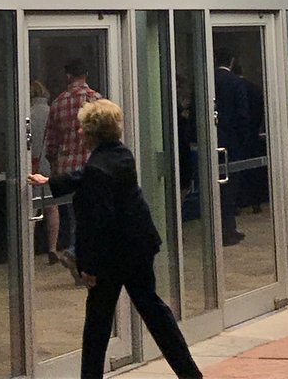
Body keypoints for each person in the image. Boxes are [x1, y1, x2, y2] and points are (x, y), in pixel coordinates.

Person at [28, 99, 202, 379]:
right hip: (139, 248)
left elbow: (97, 224)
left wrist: (89, 268)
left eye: (83, 128)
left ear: (92, 132)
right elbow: (87, 175)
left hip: (113, 256)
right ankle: (190, 373)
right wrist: (50, 181)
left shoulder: (98, 169)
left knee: (96, 325)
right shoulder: (121, 155)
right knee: (154, 311)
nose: (80, 133)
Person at [44, 59, 100, 279]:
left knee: (76, 217)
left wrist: (56, 163)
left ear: (67, 76)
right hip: (91, 167)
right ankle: (75, 253)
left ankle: (80, 268)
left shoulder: (57, 103)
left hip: (67, 169)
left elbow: (51, 143)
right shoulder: (96, 100)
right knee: (91, 218)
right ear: (85, 74)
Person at [213, 47, 249, 245]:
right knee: (230, 187)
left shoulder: (207, 81)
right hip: (232, 142)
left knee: (215, 188)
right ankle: (228, 229)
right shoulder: (235, 83)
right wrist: (243, 141)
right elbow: (243, 116)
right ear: (232, 61)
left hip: (212, 141)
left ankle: (217, 228)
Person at [29, 80, 60, 263]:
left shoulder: (28, 114)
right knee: (52, 207)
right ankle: (53, 247)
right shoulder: (52, 112)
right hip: (50, 162)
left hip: (33, 163)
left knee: (32, 207)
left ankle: (29, 249)